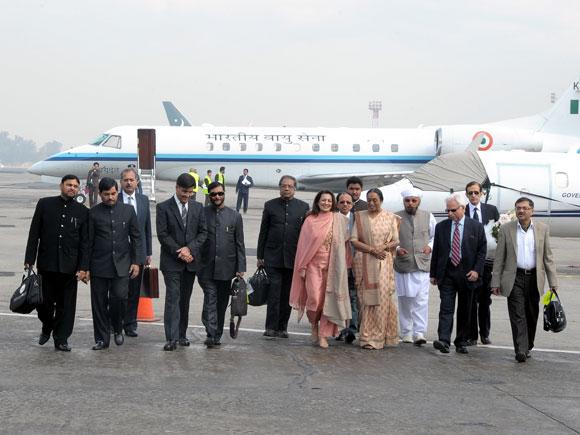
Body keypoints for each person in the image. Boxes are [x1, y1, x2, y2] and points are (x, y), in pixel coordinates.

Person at [24, 175, 89, 352]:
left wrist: (83, 267)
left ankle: (61, 339)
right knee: (43, 303)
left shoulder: (83, 211)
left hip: (70, 267)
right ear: (61, 185)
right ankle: (47, 326)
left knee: (66, 306)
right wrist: (29, 259)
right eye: (69, 185)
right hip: (47, 264)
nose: (72, 188)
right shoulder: (45, 204)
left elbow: (85, 242)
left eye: (76, 186)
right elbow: (34, 233)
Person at [491, 197, 558, 363]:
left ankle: (528, 345)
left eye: (524, 208)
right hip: (514, 277)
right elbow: (499, 259)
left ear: (532, 211)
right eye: (518, 208)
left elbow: (548, 257)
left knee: (531, 314)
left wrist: (553, 283)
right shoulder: (506, 229)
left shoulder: (543, 229)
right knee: (517, 314)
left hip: (535, 277)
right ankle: (520, 349)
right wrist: (495, 282)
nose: (521, 211)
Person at [289, 191, 351, 348]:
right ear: (317, 202)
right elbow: (303, 246)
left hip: (333, 266)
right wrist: (302, 266)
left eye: (329, 201)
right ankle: (313, 324)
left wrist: (346, 264)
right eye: (323, 200)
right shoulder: (310, 220)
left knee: (328, 301)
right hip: (313, 265)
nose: (326, 203)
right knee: (315, 299)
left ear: (333, 203)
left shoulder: (339, 219)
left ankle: (323, 334)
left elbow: (345, 245)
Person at [88, 177, 142, 350]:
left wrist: (136, 262)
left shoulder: (128, 211)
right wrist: (84, 268)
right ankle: (102, 339)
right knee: (99, 303)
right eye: (106, 194)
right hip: (99, 265)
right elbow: (87, 242)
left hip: (122, 264)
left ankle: (118, 327)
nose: (110, 197)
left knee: (119, 298)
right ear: (100, 194)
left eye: (113, 194)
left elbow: (136, 238)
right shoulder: (93, 213)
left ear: (116, 192)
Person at [430, 193, 487, 355]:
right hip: (447, 273)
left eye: (452, 210)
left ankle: (461, 341)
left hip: (467, 273)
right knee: (446, 308)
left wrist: (476, 270)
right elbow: (437, 252)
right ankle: (444, 340)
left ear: (462, 208)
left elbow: (481, 251)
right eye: (447, 210)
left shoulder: (476, 227)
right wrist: (433, 273)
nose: (449, 214)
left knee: (465, 309)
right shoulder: (441, 227)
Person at [156, 173, 207, 351]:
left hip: (190, 262)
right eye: (184, 191)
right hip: (172, 262)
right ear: (177, 188)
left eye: (190, 192)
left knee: (184, 300)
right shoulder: (163, 207)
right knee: (173, 298)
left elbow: (203, 233)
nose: (187, 195)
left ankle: (182, 334)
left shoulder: (198, 207)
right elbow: (162, 235)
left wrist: (190, 249)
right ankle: (171, 337)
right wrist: (181, 251)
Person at [257, 175, 309, 338]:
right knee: (273, 293)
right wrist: (260, 255)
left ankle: (282, 327)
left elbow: (305, 234)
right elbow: (263, 231)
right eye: (283, 186)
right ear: (279, 187)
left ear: (294, 188)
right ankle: (270, 327)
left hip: (293, 258)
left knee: (287, 294)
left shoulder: (303, 207)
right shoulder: (270, 206)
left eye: (289, 186)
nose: (286, 188)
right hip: (272, 256)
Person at [198, 182, 246, 348]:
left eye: (220, 193)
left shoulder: (234, 216)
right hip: (205, 267)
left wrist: (241, 268)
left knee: (221, 303)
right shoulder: (202, 213)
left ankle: (216, 333)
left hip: (227, 268)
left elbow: (240, 243)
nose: (217, 197)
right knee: (210, 299)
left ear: (224, 194)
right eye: (213, 194)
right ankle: (211, 332)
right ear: (209, 196)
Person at [350, 188, 400, 349]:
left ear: (381, 200)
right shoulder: (360, 217)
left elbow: (396, 241)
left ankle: (379, 337)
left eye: (375, 200)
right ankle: (366, 337)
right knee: (366, 301)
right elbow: (353, 240)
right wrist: (372, 250)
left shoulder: (390, 217)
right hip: (364, 262)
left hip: (383, 262)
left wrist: (383, 247)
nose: (371, 203)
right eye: (369, 200)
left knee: (382, 299)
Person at [394, 188, 436, 346]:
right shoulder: (396, 217)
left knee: (421, 300)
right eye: (407, 201)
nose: (410, 203)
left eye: (413, 200)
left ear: (419, 201)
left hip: (422, 263)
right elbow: (390, 237)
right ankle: (406, 332)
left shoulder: (428, 216)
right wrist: (397, 249)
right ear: (403, 201)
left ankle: (419, 332)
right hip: (403, 265)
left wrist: (430, 247)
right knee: (405, 299)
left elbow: (434, 236)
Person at [465, 181, 500, 345]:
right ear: (466, 195)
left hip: (487, 264)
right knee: (470, 301)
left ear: (482, 194)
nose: (473, 196)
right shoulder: (462, 211)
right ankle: (471, 335)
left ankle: (484, 333)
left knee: (485, 301)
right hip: (468, 265)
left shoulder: (491, 210)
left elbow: (499, 233)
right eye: (470, 193)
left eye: (476, 193)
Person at [119, 167, 152, 338]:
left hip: (138, 252)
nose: (129, 183)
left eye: (132, 180)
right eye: (126, 180)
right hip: (119, 253)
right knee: (117, 291)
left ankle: (130, 324)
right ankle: (114, 322)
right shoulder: (115, 199)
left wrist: (148, 252)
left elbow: (147, 228)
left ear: (137, 182)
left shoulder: (143, 200)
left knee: (133, 291)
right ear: (121, 182)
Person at [334, 192, 358, 344]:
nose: (345, 205)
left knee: (353, 298)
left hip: (354, 265)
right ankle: (339, 329)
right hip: (337, 265)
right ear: (337, 204)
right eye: (341, 202)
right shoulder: (332, 219)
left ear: (352, 204)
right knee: (338, 298)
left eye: (348, 202)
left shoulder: (358, 219)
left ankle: (352, 330)